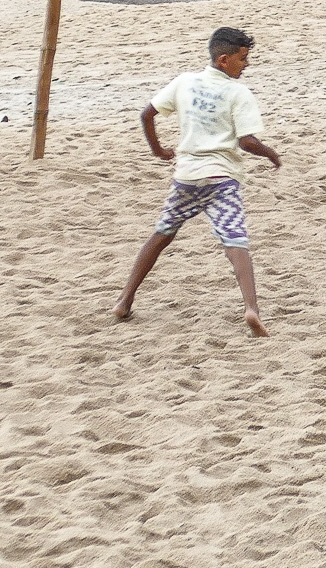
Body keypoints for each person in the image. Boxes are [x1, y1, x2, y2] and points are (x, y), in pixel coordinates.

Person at [114, 26, 282, 337]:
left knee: (161, 235)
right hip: (221, 181)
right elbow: (246, 142)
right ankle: (251, 309)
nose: (246, 64)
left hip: (187, 179)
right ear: (224, 60)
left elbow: (146, 115)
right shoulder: (238, 93)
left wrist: (159, 150)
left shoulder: (184, 82)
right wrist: (270, 153)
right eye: (243, 59)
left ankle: (125, 300)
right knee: (236, 243)